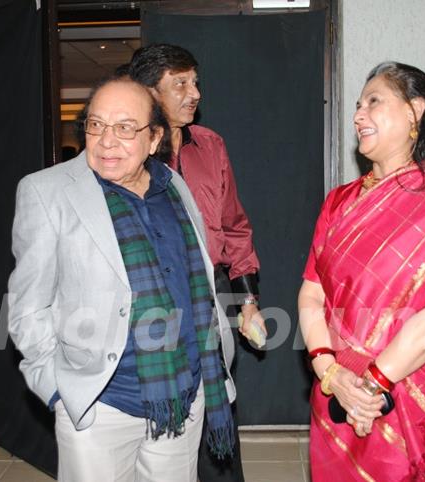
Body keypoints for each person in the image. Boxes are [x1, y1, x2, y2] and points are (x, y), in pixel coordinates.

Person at [8, 75, 236, 481]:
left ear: (154, 139)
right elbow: (28, 305)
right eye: (96, 125)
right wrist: (59, 392)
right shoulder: (48, 191)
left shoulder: (175, 187)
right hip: (102, 404)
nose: (107, 140)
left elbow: (198, 279)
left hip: (184, 394)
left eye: (125, 128)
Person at [298, 61, 425, 482]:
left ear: (414, 111)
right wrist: (330, 371)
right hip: (339, 383)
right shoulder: (339, 203)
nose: (357, 115)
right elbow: (312, 293)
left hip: (413, 388)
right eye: (357, 105)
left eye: (373, 101)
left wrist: (371, 386)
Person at [129, 44, 264, 482]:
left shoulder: (210, 145)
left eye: (195, 82)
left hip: (212, 294)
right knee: (159, 421)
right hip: (150, 301)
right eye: (180, 84)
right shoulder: (128, 157)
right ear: (150, 92)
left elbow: (234, 225)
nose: (194, 93)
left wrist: (246, 302)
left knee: (216, 404)